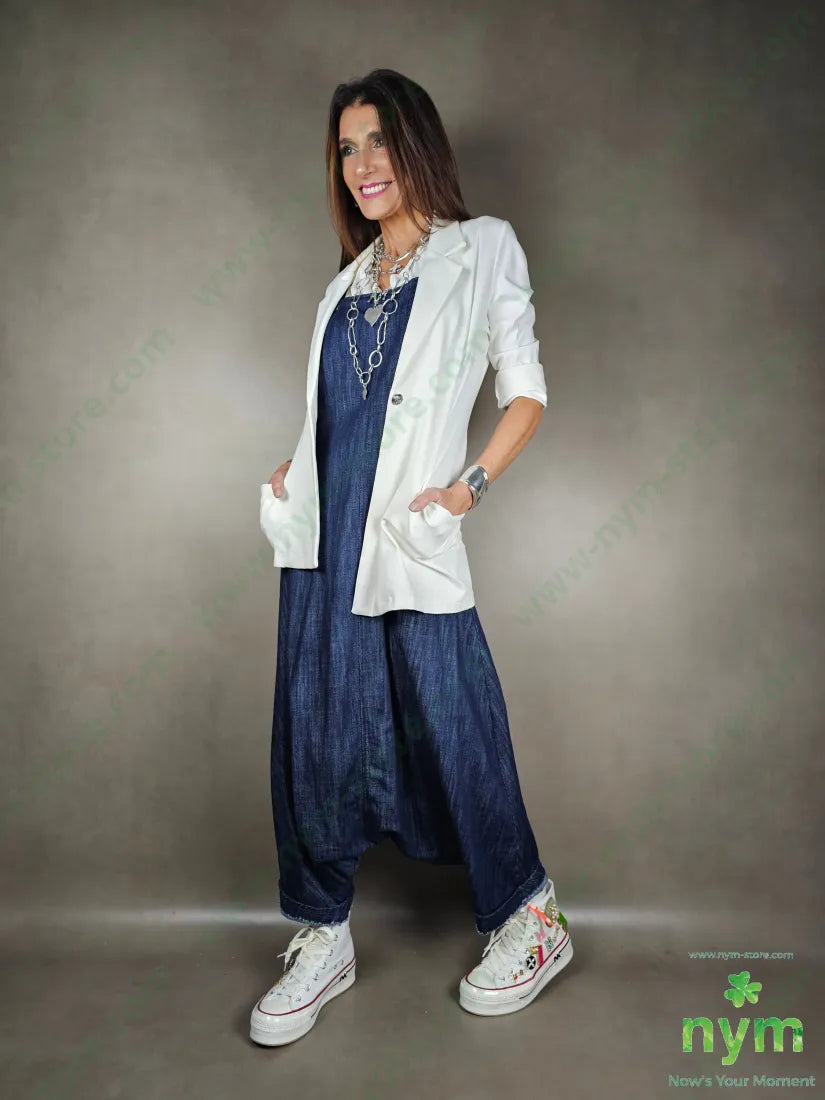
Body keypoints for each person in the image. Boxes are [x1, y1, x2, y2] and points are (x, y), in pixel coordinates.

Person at [251, 68, 573, 1047]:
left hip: (407, 537)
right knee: (314, 732)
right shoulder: (342, 285)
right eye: (347, 149)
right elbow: (335, 417)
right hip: (323, 542)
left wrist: (466, 488)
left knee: (451, 719)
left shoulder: (482, 249)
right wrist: (296, 466)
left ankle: (531, 917)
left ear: (417, 143)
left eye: (379, 142)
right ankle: (323, 932)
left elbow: (526, 392)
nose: (362, 165)